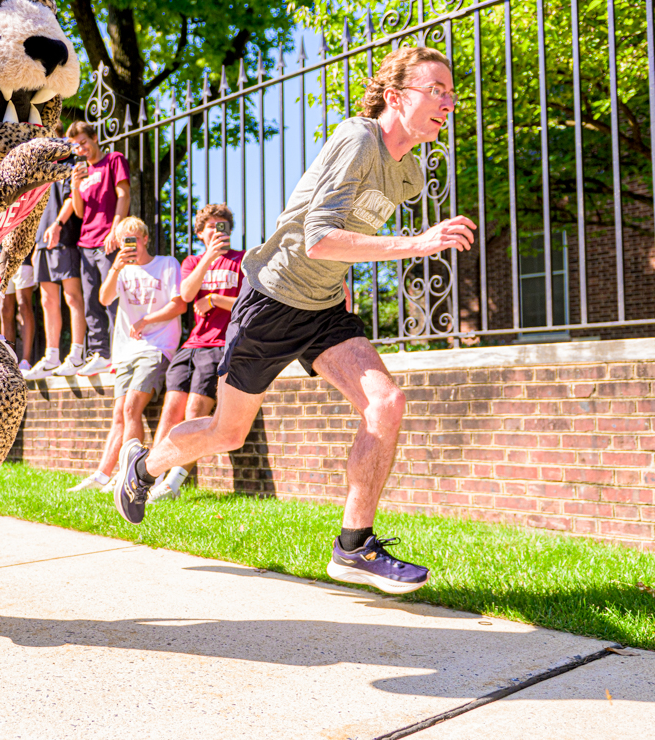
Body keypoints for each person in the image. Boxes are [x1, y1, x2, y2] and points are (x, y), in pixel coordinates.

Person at [114, 47, 476, 596]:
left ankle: (354, 548)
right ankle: (140, 470)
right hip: (274, 301)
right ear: (398, 96)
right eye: (436, 90)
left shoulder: (409, 173)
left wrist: (347, 285)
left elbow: (346, 241)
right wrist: (418, 242)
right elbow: (319, 237)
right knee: (227, 433)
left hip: (327, 306)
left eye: (451, 93)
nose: (448, 102)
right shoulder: (357, 139)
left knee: (387, 402)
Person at [68, 217, 184, 492]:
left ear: (145, 239)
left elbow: (178, 305)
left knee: (132, 407)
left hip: (157, 346)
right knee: (119, 413)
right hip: (126, 351)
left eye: (134, 239)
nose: (130, 245)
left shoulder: (167, 264)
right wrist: (115, 268)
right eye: (124, 241)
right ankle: (102, 475)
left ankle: (129, 475)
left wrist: (145, 321)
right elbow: (104, 299)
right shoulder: (121, 271)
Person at [147, 204, 245, 502]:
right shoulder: (192, 261)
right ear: (200, 233)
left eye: (223, 225)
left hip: (220, 345)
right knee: (171, 412)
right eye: (211, 226)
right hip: (191, 345)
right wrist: (209, 259)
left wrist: (216, 298)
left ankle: (172, 485)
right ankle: (150, 476)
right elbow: (187, 295)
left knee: (195, 412)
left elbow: (248, 302)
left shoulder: (242, 260)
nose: (217, 230)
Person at [68, 120, 130, 377]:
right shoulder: (81, 171)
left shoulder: (114, 159)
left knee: (113, 298)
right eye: (76, 146)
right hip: (86, 242)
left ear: (94, 137)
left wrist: (115, 229)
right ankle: (100, 353)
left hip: (108, 240)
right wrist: (74, 186)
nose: (81, 149)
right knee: (92, 299)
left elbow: (124, 194)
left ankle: (120, 352)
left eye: (83, 142)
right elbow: (80, 212)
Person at [22, 173, 86, 379]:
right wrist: (34, 246)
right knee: (47, 301)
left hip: (65, 238)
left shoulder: (69, 166)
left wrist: (57, 225)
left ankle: (77, 354)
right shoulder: (37, 173)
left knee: (72, 297)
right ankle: (52, 357)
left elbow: (71, 198)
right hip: (41, 243)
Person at [0, 257, 36, 373]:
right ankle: (8, 362)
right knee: (5, 309)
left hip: (24, 254)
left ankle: (26, 361)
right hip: (1, 256)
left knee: (24, 304)